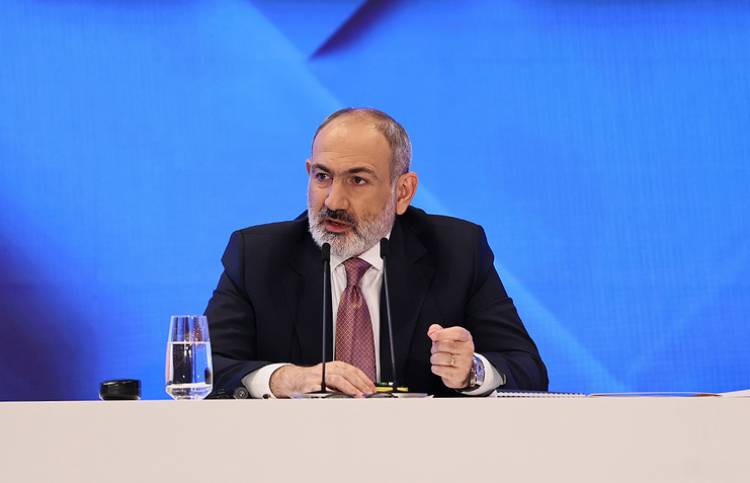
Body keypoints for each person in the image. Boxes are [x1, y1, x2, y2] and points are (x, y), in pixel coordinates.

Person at [205, 108, 547, 398]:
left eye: (358, 180)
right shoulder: (258, 256)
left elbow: (528, 369)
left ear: (403, 192)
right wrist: (283, 378)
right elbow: (203, 370)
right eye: (323, 176)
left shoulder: (457, 249)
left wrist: (471, 371)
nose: (333, 201)